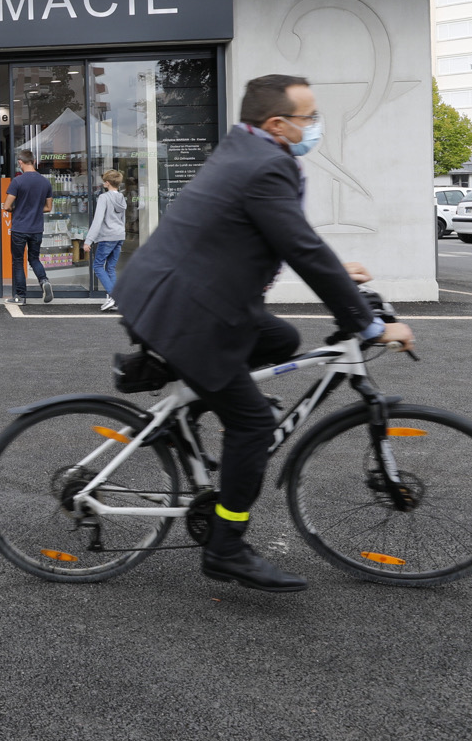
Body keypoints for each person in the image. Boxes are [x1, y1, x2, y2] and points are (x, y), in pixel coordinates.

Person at [114, 74, 416, 593]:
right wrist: (368, 325)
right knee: (253, 424)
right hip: (186, 314)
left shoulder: (246, 149)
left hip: (175, 296)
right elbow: (302, 247)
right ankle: (226, 547)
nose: (315, 125)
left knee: (279, 340)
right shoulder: (267, 165)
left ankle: (186, 409)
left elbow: (277, 235)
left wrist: (338, 273)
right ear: (277, 124)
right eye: (309, 117)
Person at [3, 154, 54, 304]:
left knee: (18, 262)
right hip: (36, 228)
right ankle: (44, 281)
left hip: (20, 228)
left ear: (20, 162)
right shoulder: (45, 182)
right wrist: (35, 210)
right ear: (34, 161)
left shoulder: (17, 181)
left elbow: (6, 206)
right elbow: (48, 208)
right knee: (34, 258)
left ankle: (20, 296)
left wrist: (17, 210)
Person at [84, 168, 127, 313]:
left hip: (107, 236)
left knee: (97, 266)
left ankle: (114, 296)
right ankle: (116, 300)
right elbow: (123, 219)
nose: (103, 183)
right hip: (119, 235)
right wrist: (122, 235)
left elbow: (98, 220)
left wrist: (89, 240)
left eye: (104, 181)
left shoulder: (104, 198)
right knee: (110, 268)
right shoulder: (121, 198)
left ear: (108, 183)